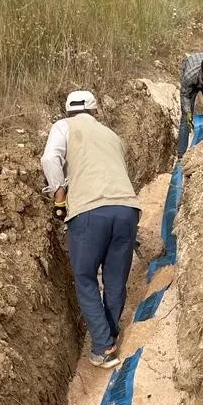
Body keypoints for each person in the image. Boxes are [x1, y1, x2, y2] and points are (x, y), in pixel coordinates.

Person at [41, 91, 141, 369]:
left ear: (68, 111)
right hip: (126, 210)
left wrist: (59, 197)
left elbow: (50, 159)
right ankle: (109, 331)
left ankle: (103, 345)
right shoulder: (112, 136)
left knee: (85, 277)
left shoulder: (64, 126)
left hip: (89, 212)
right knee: (115, 279)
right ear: (95, 112)